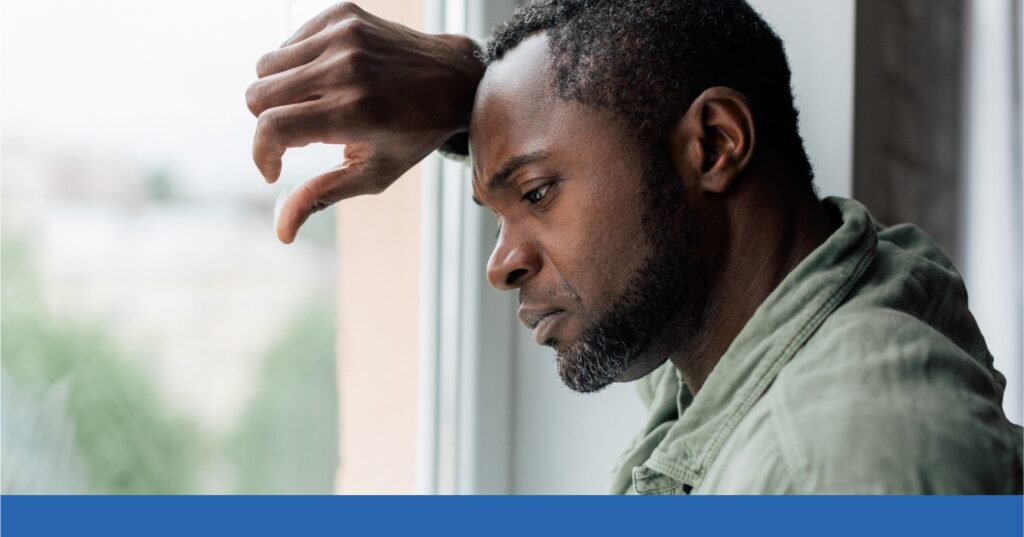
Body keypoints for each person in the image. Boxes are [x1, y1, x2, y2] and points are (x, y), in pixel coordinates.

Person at [245, 0, 1022, 494]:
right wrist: (472, 89)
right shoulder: (772, 320)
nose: (501, 262)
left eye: (537, 192)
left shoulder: (841, 466)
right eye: (496, 210)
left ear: (714, 145)